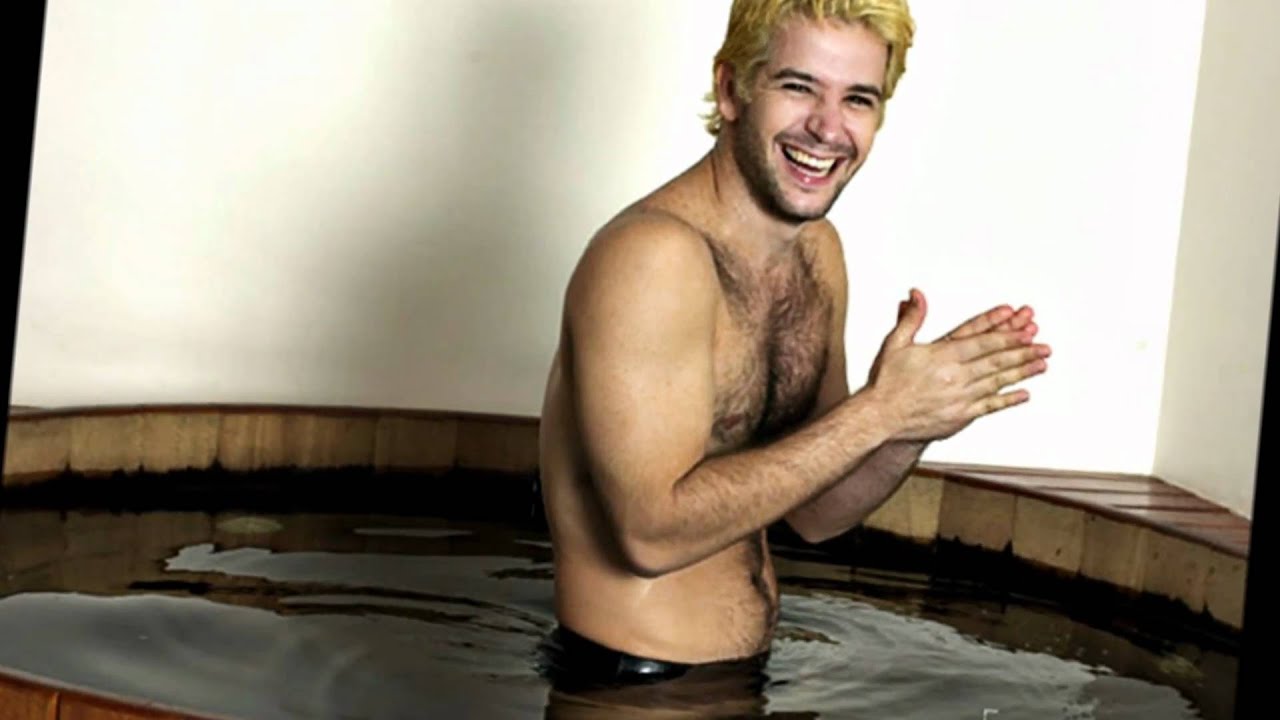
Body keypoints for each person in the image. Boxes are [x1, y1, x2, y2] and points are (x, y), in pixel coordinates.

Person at [536, 0, 1050, 709]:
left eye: (858, 99)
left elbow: (816, 513)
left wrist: (915, 422)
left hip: (741, 684)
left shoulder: (815, 255)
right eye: (799, 87)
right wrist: (880, 413)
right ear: (731, 90)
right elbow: (647, 536)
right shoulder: (651, 259)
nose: (828, 128)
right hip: (627, 691)